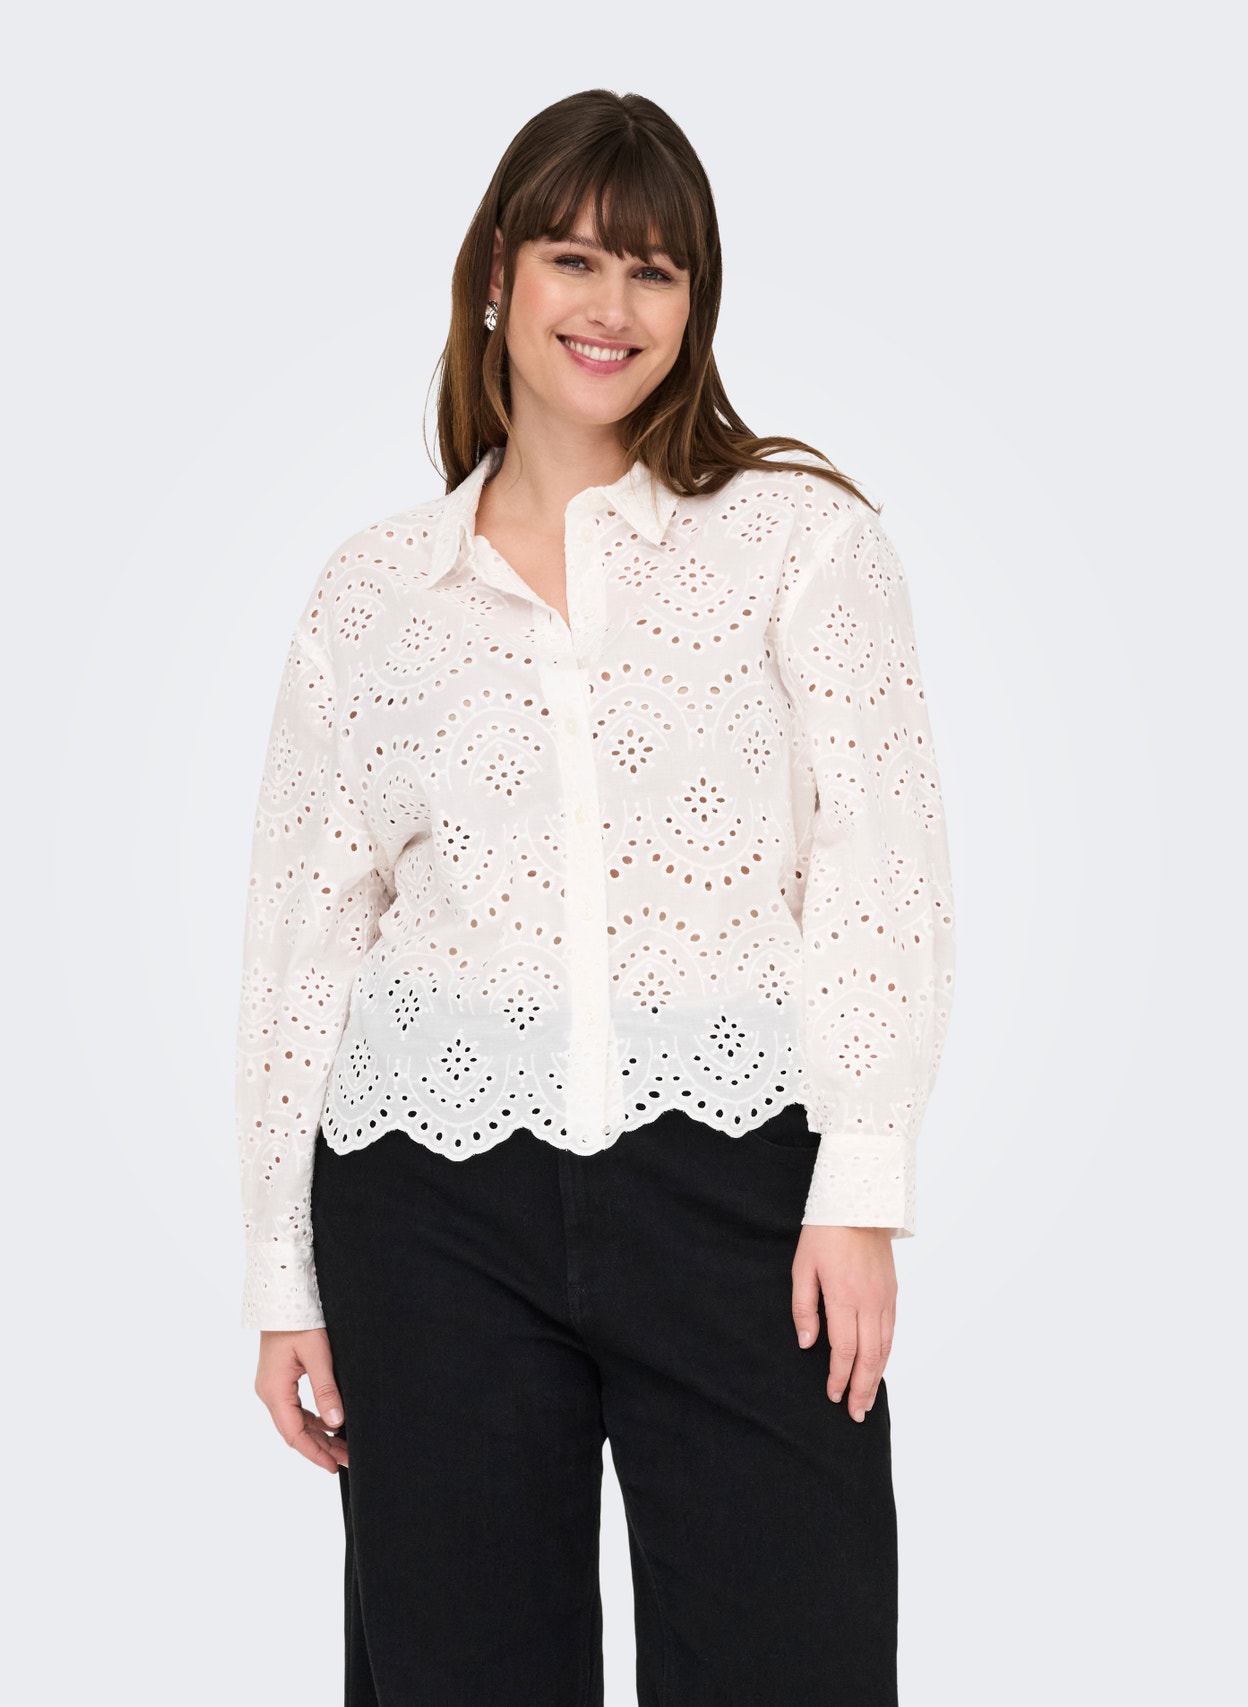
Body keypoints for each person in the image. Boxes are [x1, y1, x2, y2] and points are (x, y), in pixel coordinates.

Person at [235, 87, 956, 1707]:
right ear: (498, 275)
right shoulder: (372, 593)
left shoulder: (799, 541)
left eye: (656, 270)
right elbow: (303, 941)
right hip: (425, 1198)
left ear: (696, 305)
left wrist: (860, 1184)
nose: (611, 306)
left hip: (739, 1188)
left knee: (797, 1656)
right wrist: (285, 1273)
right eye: (576, 258)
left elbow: (882, 865)